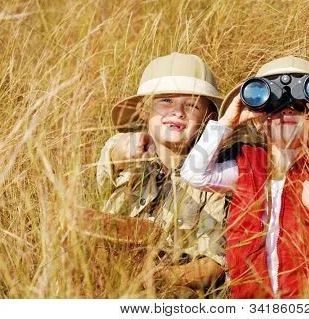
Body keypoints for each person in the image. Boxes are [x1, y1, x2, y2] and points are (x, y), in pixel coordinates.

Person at [181, 56, 309, 298]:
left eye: (299, 106)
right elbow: (194, 174)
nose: (285, 111)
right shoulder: (246, 166)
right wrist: (227, 122)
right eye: (273, 108)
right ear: (257, 123)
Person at [96, 52, 226, 297]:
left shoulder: (213, 179)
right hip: (102, 269)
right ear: (144, 110)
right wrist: (122, 152)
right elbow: (106, 170)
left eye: (192, 105)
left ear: (207, 119)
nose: (178, 112)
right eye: (166, 100)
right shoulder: (124, 149)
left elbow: (214, 264)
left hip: (166, 284)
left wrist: (151, 277)